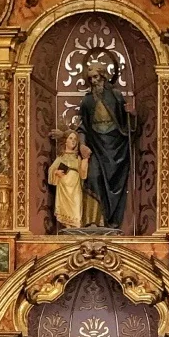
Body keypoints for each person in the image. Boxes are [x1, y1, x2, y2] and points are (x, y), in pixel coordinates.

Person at [78, 48, 133, 228]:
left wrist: (130, 115)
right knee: (93, 177)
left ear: (104, 77)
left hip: (116, 146)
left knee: (115, 182)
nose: (94, 82)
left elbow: (128, 123)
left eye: (96, 77)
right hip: (96, 146)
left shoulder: (116, 96)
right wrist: (82, 145)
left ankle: (112, 221)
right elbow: (83, 127)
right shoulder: (87, 101)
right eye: (91, 79)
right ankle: (95, 220)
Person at [47, 131, 91, 229]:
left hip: (75, 187)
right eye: (70, 138)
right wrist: (56, 172)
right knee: (65, 208)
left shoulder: (77, 157)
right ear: (65, 141)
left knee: (76, 207)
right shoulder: (61, 157)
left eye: (75, 139)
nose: (73, 141)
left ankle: (76, 227)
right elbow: (52, 169)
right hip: (63, 188)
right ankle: (67, 227)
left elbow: (83, 174)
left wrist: (85, 160)